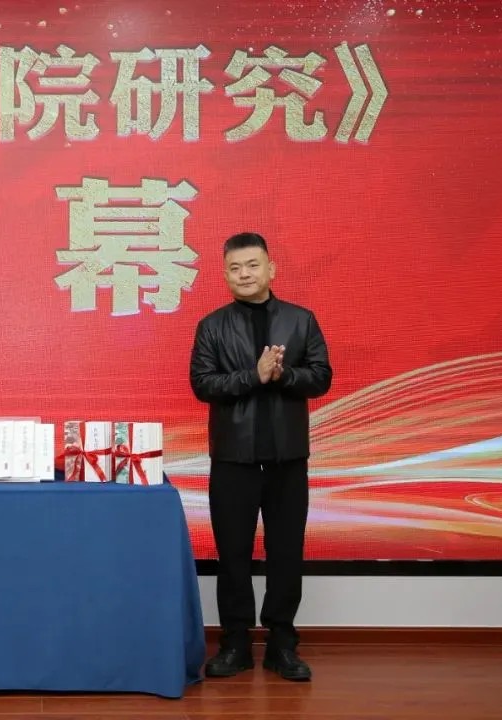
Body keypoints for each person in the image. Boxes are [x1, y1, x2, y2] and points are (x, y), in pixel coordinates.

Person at [189, 232, 332, 682]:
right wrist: (253, 376)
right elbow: (203, 385)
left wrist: (283, 375)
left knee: (286, 553)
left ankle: (282, 645)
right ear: (225, 275)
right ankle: (234, 644)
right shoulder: (212, 326)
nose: (245, 274)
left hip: (288, 460)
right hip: (233, 460)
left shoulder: (301, 320)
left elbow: (321, 377)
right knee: (232, 555)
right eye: (235, 268)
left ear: (271, 268)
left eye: (253, 265)